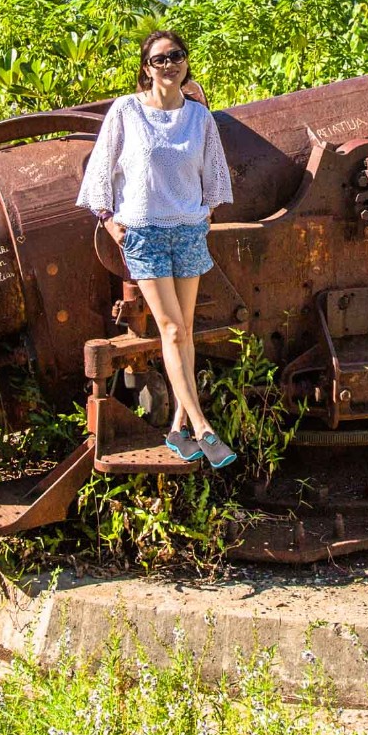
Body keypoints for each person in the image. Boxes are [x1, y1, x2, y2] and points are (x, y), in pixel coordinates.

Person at [75, 29, 238, 468]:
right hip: (144, 233)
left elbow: (214, 173)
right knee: (170, 330)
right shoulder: (127, 111)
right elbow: (100, 171)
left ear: (186, 63)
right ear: (146, 68)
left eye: (177, 56)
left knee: (184, 331)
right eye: (160, 59)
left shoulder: (198, 118)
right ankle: (203, 428)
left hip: (187, 232)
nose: (170, 65)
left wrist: (204, 213)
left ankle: (176, 430)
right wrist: (109, 222)